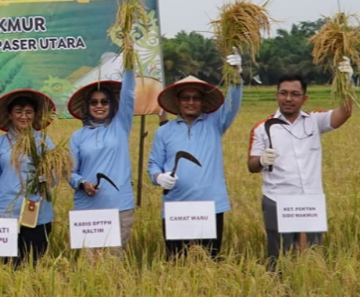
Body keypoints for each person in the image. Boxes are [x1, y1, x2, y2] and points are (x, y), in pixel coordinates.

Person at [247, 61, 354, 264]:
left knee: (312, 259)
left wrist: (346, 82)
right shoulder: (262, 127)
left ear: (304, 98)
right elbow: (251, 165)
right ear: (276, 95)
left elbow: (344, 113)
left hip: (309, 202)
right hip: (277, 201)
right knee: (278, 260)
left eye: (295, 94)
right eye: (283, 93)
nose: (288, 98)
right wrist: (261, 160)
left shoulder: (314, 121)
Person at [148, 51, 242, 258]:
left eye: (196, 98)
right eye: (186, 98)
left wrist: (235, 77)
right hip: (176, 207)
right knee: (177, 262)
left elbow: (232, 105)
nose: (191, 102)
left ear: (202, 102)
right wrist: (158, 177)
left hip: (210, 205)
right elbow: (153, 164)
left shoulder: (215, 123)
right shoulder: (164, 132)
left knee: (210, 261)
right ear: (178, 101)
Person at [0, 89, 56, 264]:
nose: (24, 116)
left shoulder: (44, 142)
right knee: (5, 266)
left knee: (33, 263)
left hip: (38, 214)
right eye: (19, 111)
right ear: (10, 115)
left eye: (29, 112)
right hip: (5, 213)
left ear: (35, 115)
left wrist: (45, 178)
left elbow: (55, 173)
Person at [68, 68, 137, 253]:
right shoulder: (78, 136)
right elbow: (70, 172)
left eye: (104, 102)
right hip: (87, 209)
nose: (99, 106)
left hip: (119, 206)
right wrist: (82, 183)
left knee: (114, 263)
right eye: (94, 102)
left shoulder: (120, 126)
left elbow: (129, 94)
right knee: (89, 268)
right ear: (87, 107)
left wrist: (129, 64)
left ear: (112, 105)